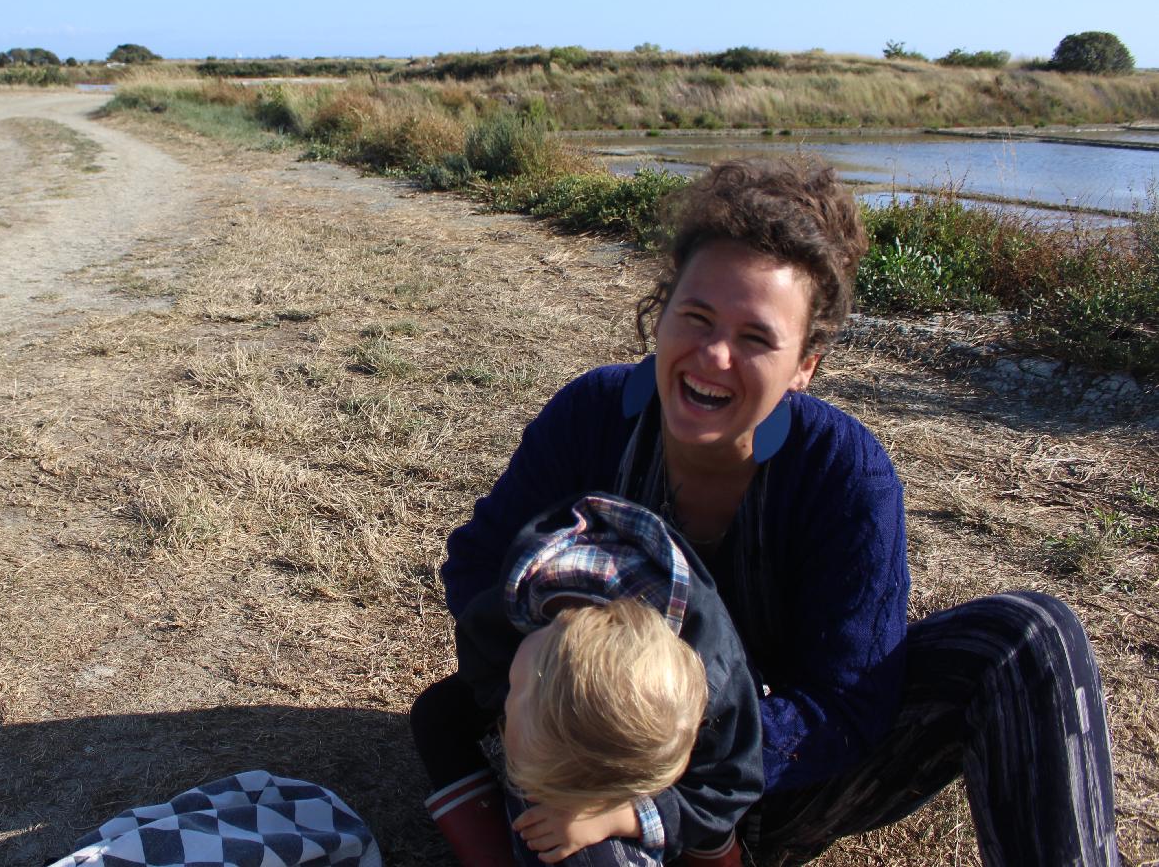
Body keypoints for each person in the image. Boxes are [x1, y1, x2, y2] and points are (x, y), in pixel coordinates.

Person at [434, 159, 1119, 866]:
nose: (714, 355)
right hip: (594, 754)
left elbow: (847, 704)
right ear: (660, 314)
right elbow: (479, 564)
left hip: (766, 777)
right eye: (695, 317)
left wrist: (680, 766)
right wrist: (565, 675)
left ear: (805, 365)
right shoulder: (593, 414)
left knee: (1029, 634)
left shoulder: (844, 470)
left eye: (756, 338)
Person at [412, 492, 764, 867]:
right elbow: (479, 650)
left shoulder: (714, 684)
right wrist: (528, 731)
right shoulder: (524, 592)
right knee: (438, 714)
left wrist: (622, 815)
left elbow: (729, 785)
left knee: (690, 827)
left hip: (688, 781)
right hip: (537, 670)